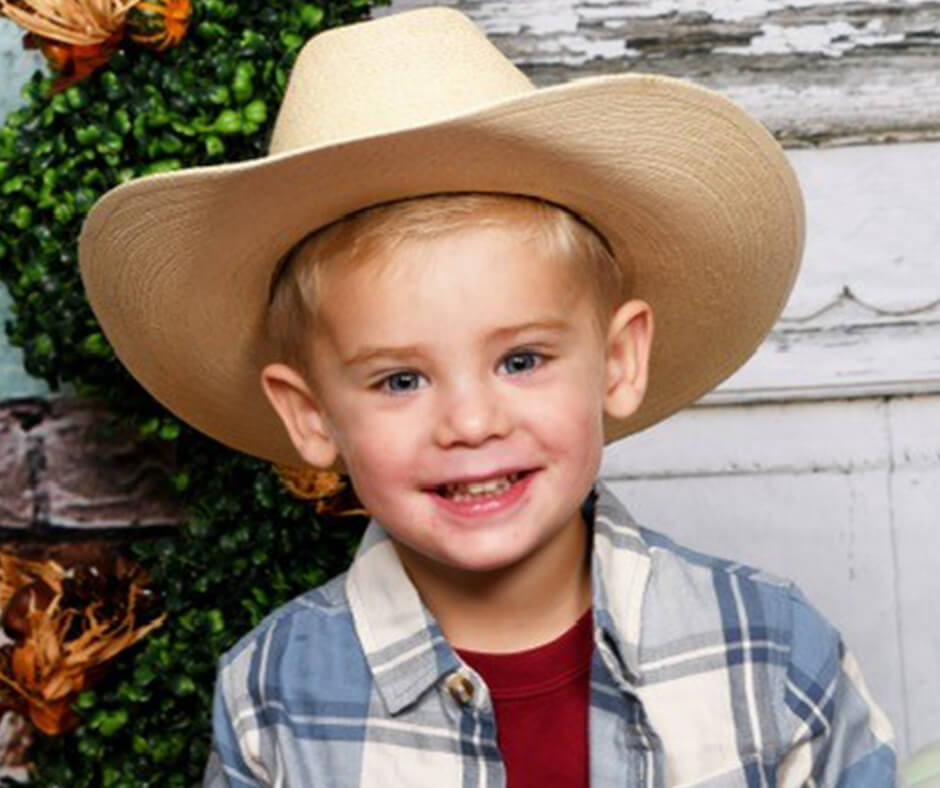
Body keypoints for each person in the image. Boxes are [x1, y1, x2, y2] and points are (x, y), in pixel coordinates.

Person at [78, 6, 897, 787]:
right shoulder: (273, 696)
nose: (470, 423)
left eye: (522, 360)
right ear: (311, 415)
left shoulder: (772, 650)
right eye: (400, 379)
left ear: (617, 359)